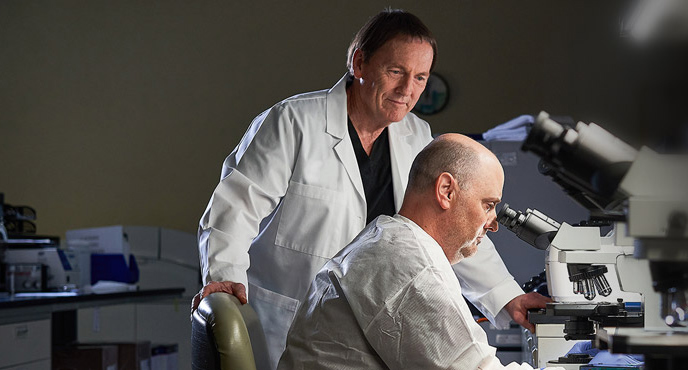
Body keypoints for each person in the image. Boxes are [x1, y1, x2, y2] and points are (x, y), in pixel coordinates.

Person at [195, 10, 547, 370]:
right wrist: (225, 283)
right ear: (360, 63)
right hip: (283, 317)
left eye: (420, 77)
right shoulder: (294, 122)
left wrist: (508, 298)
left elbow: (458, 223)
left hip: (363, 329)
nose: (407, 90)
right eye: (396, 71)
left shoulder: (417, 137)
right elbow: (235, 207)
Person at [279, 134, 558, 370]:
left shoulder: (389, 240)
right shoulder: (410, 266)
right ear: (446, 191)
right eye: (488, 205)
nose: (494, 223)